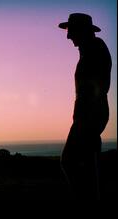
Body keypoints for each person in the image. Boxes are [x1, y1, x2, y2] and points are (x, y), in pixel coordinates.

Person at [58, 13, 111, 200]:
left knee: (69, 161)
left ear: (82, 30)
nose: (68, 36)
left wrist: (85, 115)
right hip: (89, 113)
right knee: (88, 162)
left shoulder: (95, 49)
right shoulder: (91, 49)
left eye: (70, 30)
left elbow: (97, 86)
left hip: (90, 113)